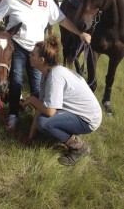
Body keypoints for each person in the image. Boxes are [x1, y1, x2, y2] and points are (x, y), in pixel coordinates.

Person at [0, 0, 91, 130]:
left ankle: (37, 117)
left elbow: (62, 20)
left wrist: (80, 33)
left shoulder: (46, 0)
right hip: (15, 46)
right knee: (16, 80)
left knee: (38, 84)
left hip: (37, 51)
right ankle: (13, 115)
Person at [22, 36, 102, 166]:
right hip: (80, 113)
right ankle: (68, 131)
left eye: (32, 54)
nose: (29, 55)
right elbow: (40, 107)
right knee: (39, 100)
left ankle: (79, 148)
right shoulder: (46, 74)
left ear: (41, 60)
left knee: (44, 123)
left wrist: (31, 100)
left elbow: (48, 111)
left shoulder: (55, 76)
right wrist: (30, 137)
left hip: (88, 119)